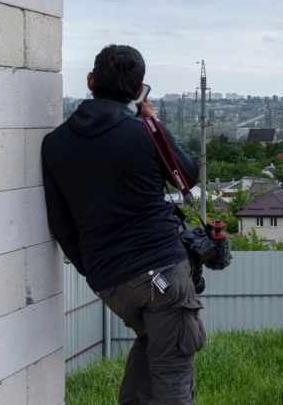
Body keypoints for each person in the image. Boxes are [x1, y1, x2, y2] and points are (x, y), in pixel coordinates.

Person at [42, 45, 204, 404]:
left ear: (90, 81)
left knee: (152, 344)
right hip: (162, 274)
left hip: (110, 282)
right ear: (137, 91)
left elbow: (60, 223)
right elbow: (186, 179)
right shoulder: (142, 131)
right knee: (174, 372)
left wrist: (94, 270)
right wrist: (153, 122)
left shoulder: (53, 144)